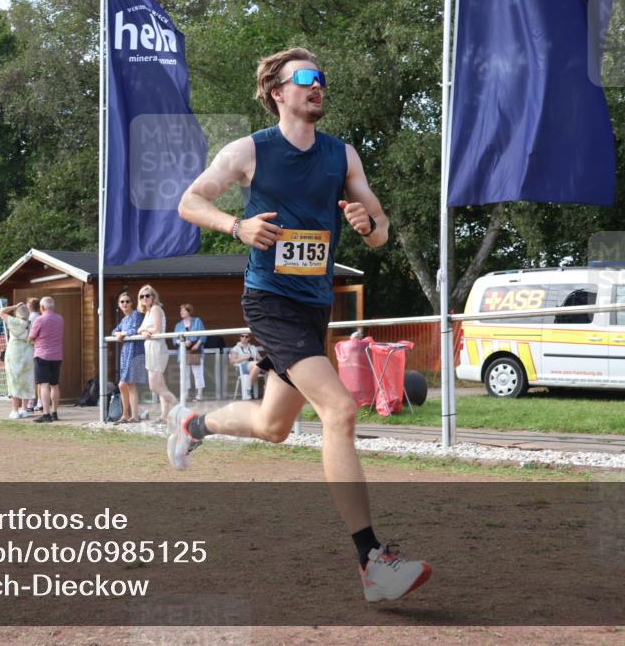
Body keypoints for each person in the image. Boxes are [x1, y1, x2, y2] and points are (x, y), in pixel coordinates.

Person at [172, 47, 431, 602]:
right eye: (307, 79)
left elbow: (380, 227)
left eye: (322, 80)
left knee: (274, 426)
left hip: (315, 306)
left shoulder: (343, 156)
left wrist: (369, 223)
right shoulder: (249, 152)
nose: (318, 87)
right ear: (278, 93)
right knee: (338, 409)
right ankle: (373, 564)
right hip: (270, 301)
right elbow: (190, 202)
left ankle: (192, 425)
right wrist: (235, 226)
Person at [137, 284, 177, 424]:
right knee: (161, 384)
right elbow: (140, 329)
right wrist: (144, 331)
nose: (145, 298)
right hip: (150, 349)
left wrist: (147, 330)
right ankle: (164, 416)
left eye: (147, 295)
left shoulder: (155, 308)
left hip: (157, 348)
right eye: (142, 296)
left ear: (153, 297)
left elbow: (157, 329)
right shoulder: (147, 312)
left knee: (154, 386)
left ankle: (179, 407)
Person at [112, 291, 146, 423]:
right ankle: (128, 415)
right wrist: (119, 333)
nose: (124, 304)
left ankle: (132, 415)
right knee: (126, 385)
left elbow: (135, 330)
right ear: (119, 304)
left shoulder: (136, 315)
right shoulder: (124, 319)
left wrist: (123, 333)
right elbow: (114, 331)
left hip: (135, 353)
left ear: (132, 303)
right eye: (122, 302)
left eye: (127, 301)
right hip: (126, 353)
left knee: (126, 384)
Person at [28, 296, 63, 423]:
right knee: (55, 385)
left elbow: (31, 337)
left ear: (42, 307)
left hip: (42, 355)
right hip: (57, 355)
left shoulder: (39, 320)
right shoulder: (60, 319)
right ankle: (54, 413)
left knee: (44, 385)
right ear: (53, 306)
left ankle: (46, 414)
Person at [0, 302, 35, 419]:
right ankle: (24, 409)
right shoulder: (31, 324)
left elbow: (0, 311)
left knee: (14, 379)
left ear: (17, 313)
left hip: (14, 353)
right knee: (27, 379)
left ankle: (14, 410)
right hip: (28, 353)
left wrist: (14, 307)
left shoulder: (13, 321)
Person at [173, 303, 207, 401]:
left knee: (198, 373)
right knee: (185, 374)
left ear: (189, 311)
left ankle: (199, 394)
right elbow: (175, 339)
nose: (181, 312)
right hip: (183, 351)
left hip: (195, 350)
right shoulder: (178, 325)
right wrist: (182, 342)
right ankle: (186, 394)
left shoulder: (197, 321)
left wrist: (197, 344)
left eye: (183, 310)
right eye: (181, 311)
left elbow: (203, 335)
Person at [229, 332, 263, 400]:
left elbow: (260, 359)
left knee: (264, 367)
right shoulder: (236, 348)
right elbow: (232, 361)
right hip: (242, 367)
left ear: (249, 338)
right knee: (256, 365)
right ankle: (249, 387)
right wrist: (244, 358)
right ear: (240, 337)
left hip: (254, 366)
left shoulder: (253, 348)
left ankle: (248, 387)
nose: (244, 338)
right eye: (242, 336)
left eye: (246, 336)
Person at [25, 297, 42, 413]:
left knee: (31, 377)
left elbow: (29, 336)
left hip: (32, 349)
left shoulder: (31, 318)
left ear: (30, 306)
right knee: (40, 379)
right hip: (39, 349)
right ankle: (40, 402)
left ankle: (30, 403)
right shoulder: (41, 317)